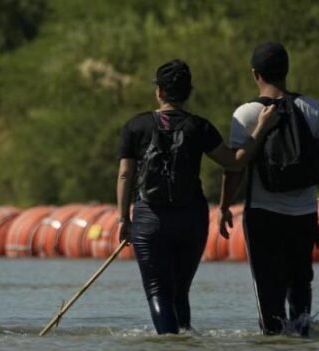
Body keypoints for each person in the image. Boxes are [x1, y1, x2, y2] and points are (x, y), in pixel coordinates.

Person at [117, 59, 277, 334]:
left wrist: (123, 218)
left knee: (158, 291)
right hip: (192, 219)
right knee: (180, 291)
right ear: (188, 92)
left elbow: (124, 175)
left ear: (159, 91)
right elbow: (234, 162)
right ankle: (185, 345)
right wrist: (260, 127)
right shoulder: (199, 127)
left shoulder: (136, 126)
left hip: (150, 219)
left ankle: (169, 345)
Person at [219, 42, 319, 336]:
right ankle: (303, 339)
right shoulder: (312, 108)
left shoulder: (247, 113)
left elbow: (235, 167)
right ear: (287, 71)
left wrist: (224, 207)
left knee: (268, 289)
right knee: (301, 283)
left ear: (255, 74)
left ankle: (274, 346)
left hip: (263, 214)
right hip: (304, 213)